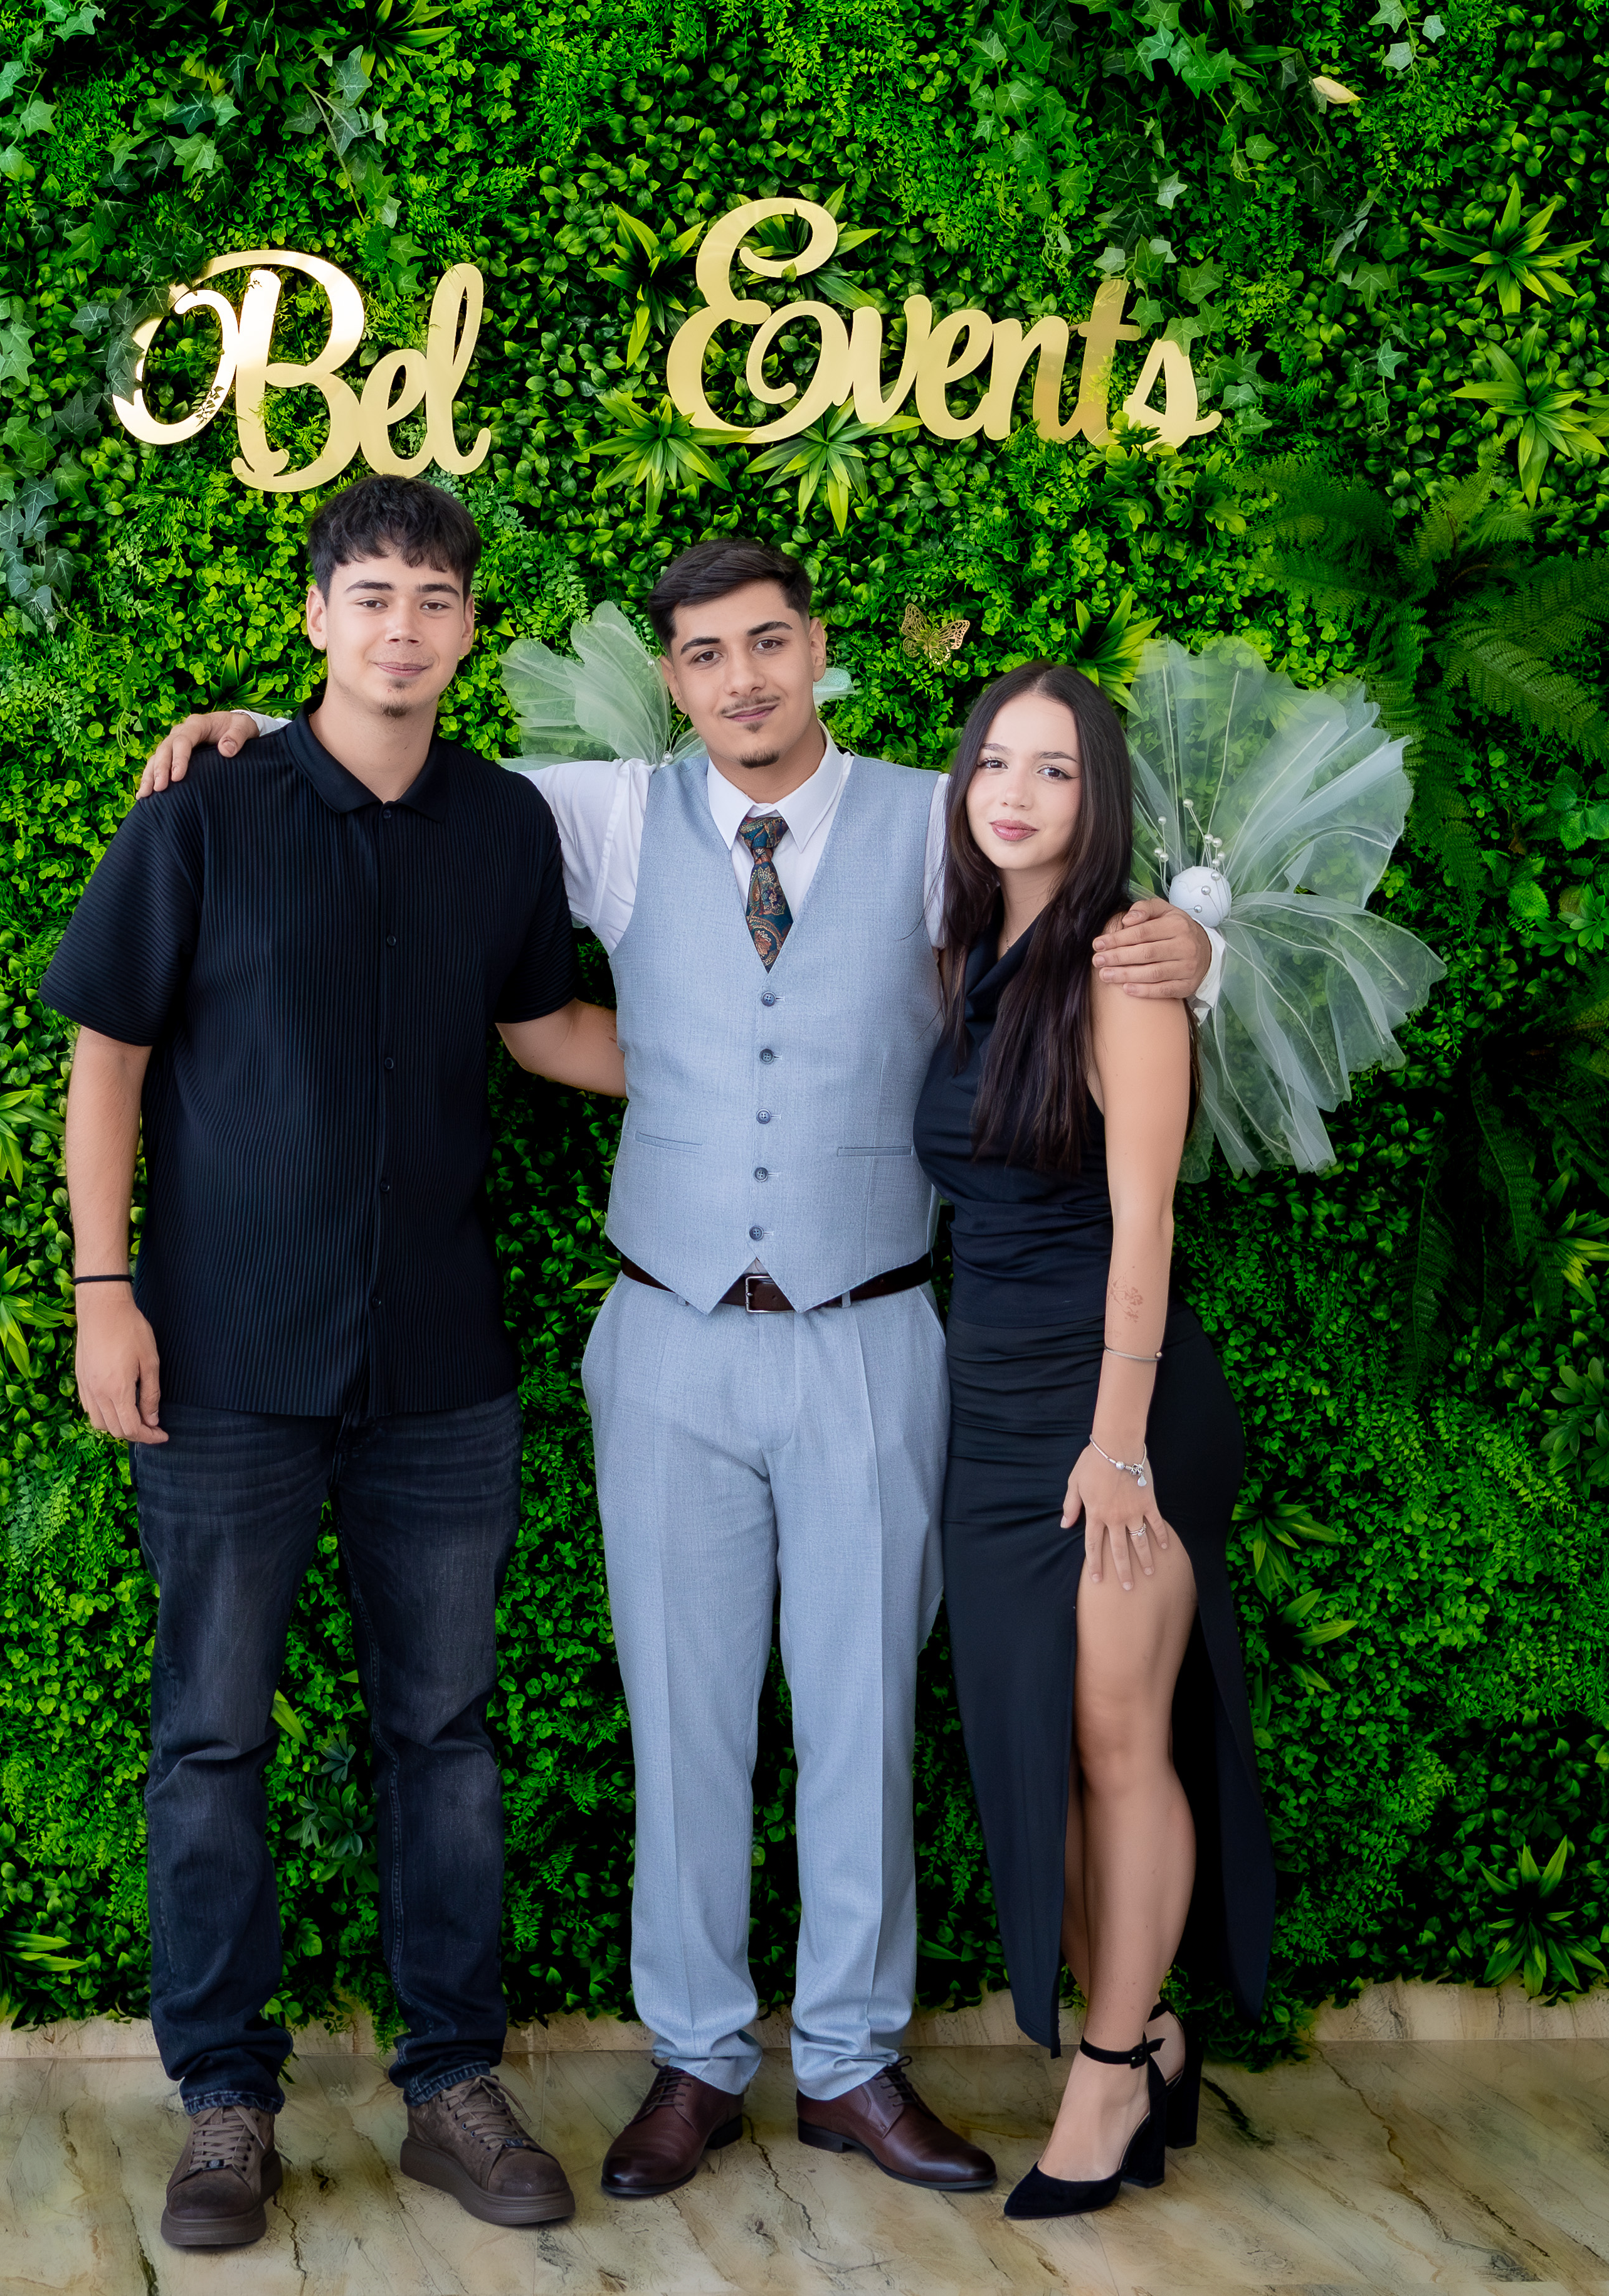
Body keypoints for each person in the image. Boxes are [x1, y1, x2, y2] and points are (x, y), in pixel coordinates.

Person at [143, 539, 1218, 2202]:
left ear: (817, 647)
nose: (742, 680)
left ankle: (851, 2060)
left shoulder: (940, 815)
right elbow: (404, 765)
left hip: (870, 1330)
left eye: (767, 644)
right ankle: (698, 2054)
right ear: (670, 678)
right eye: (705, 655)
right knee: (684, 1721)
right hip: (665, 1335)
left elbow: (1071, 904)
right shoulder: (605, 814)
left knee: (863, 1719)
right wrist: (248, 729)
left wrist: (1190, 949)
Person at [42, 475, 628, 2249]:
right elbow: (106, 1054)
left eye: (434, 599)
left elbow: (545, 1027)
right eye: (369, 593)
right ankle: (224, 2101)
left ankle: (452, 2085)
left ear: (467, 629)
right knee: (212, 1737)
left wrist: (788, 1053)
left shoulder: (504, 823)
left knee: (441, 1735)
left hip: (439, 1368)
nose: (402, 625)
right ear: (316, 616)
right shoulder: (204, 810)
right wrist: (102, 1290)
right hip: (223, 1359)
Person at [912, 663, 1274, 2220]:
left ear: (1098, 797)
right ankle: (1155, 2035)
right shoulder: (964, 950)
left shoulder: (1126, 963)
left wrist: (1117, 1443)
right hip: (989, 1406)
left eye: (1055, 770)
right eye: (996, 762)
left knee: (1121, 1734)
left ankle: (1112, 2070)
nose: (1016, 793)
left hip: (1112, 1405)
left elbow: (1146, 1223)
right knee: (1041, 1741)